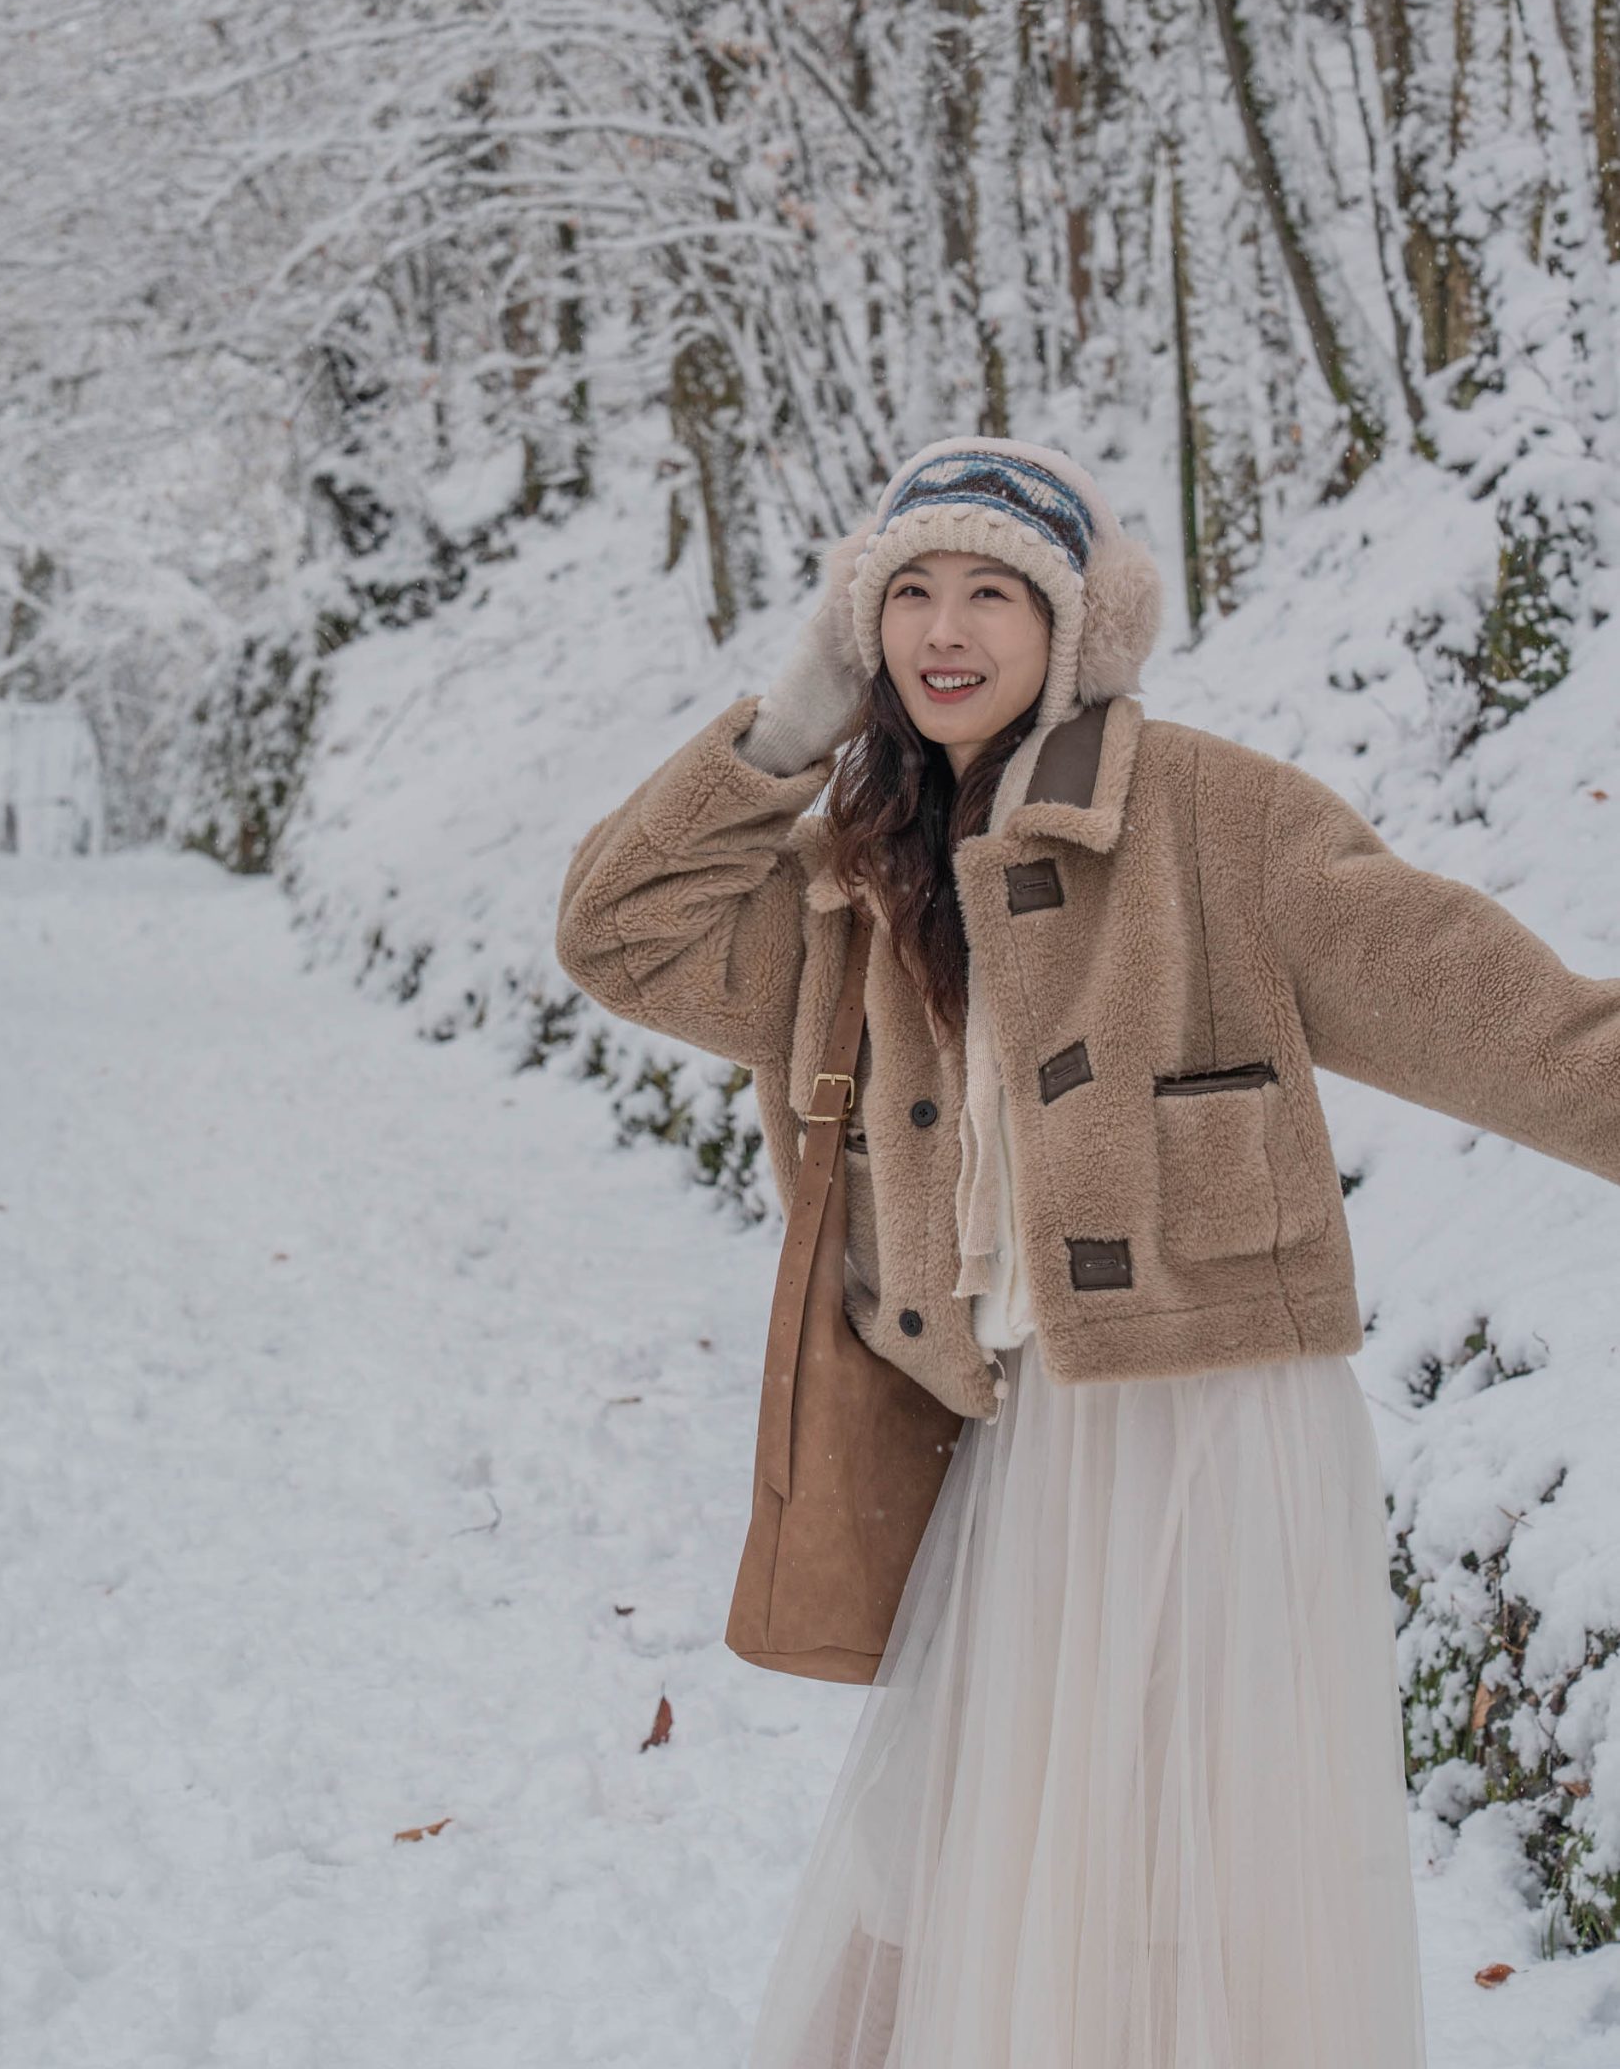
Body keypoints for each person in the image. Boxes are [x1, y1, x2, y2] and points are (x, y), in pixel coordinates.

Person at [554, 435, 1620, 2069]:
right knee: (962, 1866)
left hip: (1216, 1429)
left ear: (1074, 625)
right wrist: (784, 731)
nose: (946, 628)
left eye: (994, 590)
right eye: (909, 591)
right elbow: (617, 930)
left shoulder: (1211, 817)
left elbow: (1508, 1021)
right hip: (1014, 1446)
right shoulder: (850, 876)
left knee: (1174, 1878)